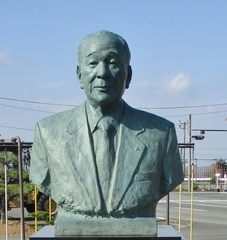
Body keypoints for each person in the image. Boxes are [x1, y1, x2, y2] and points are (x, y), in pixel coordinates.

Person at [30, 30, 183, 228]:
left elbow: (169, 179)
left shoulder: (161, 133)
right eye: (93, 63)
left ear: (128, 75)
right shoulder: (48, 132)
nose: (102, 73)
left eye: (113, 63)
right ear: (79, 75)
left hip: (139, 225)